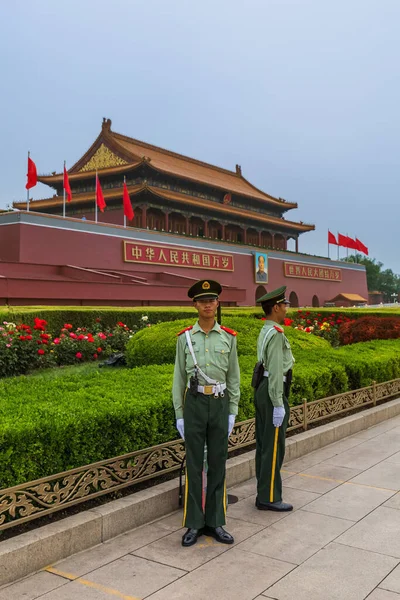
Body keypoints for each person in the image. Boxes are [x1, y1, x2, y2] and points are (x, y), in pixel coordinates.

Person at [172, 279, 240, 547]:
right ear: (195, 305)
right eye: (202, 301)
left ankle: (216, 521)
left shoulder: (229, 338)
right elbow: (178, 378)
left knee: (218, 463)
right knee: (194, 464)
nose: (207, 304)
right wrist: (179, 413)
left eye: (211, 300)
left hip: (220, 403)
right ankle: (194, 523)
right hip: (195, 403)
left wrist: (233, 411)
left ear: (217, 303)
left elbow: (234, 377)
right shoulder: (184, 338)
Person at [254, 285, 294, 511]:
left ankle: (263, 492)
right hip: (272, 391)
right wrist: (278, 403)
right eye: (285, 304)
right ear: (276, 307)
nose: (287, 308)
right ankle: (269, 497)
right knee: (273, 446)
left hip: (263, 389)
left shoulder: (267, 329)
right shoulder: (276, 334)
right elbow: (277, 371)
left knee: (264, 444)